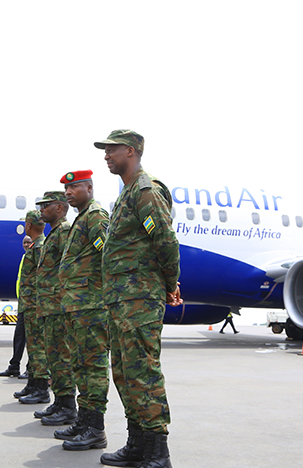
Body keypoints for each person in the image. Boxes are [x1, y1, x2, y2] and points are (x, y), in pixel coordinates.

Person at [94, 129, 181, 468]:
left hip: (140, 300)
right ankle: (137, 444)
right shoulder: (127, 194)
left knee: (143, 372)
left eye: (111, 150)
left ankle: (158, 452)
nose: (106, 155)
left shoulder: (146, 191)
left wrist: (170, 282)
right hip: (121, 301)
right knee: (124, 373)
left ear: (130, 152)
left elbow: (166, 241)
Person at [54, 170, 111, 451]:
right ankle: (84, 422)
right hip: (77, 306)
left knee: (94, 366)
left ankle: (95, 429)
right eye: (66, 188)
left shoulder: (96, 217)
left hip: (92, 306)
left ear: (89, 187)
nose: (68, 192)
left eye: (74, 187)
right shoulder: (82, 218)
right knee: (80, 365)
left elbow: (107, 256)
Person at [26, 192, 76, 426]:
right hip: (47, 307)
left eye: (46, 206)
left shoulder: (65, 231)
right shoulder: (55, 233)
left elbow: (69, 266)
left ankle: (68, 406)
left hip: (57, 306)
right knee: (54, 357)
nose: (42, 210)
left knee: (61, 356)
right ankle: (59, 401)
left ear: (59, 208)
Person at [14, 211, 50, 403]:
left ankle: (41, 388)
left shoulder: (39, 248)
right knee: (33, 347)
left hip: (35, 305)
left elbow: (41, 279)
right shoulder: (37, 246)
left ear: (29, 226)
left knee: (38, 347)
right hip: (30, 304)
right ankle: (33, 384)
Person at [0, 247, 27, 378]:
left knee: (34, 341)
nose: (26, 244)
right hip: (23, 303)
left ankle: (32, 370)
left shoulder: (37, 252)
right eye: (24, 242)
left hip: (32, 304)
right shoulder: (25, 257)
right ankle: (14, 366)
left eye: (28, 242)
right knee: (19, 337)